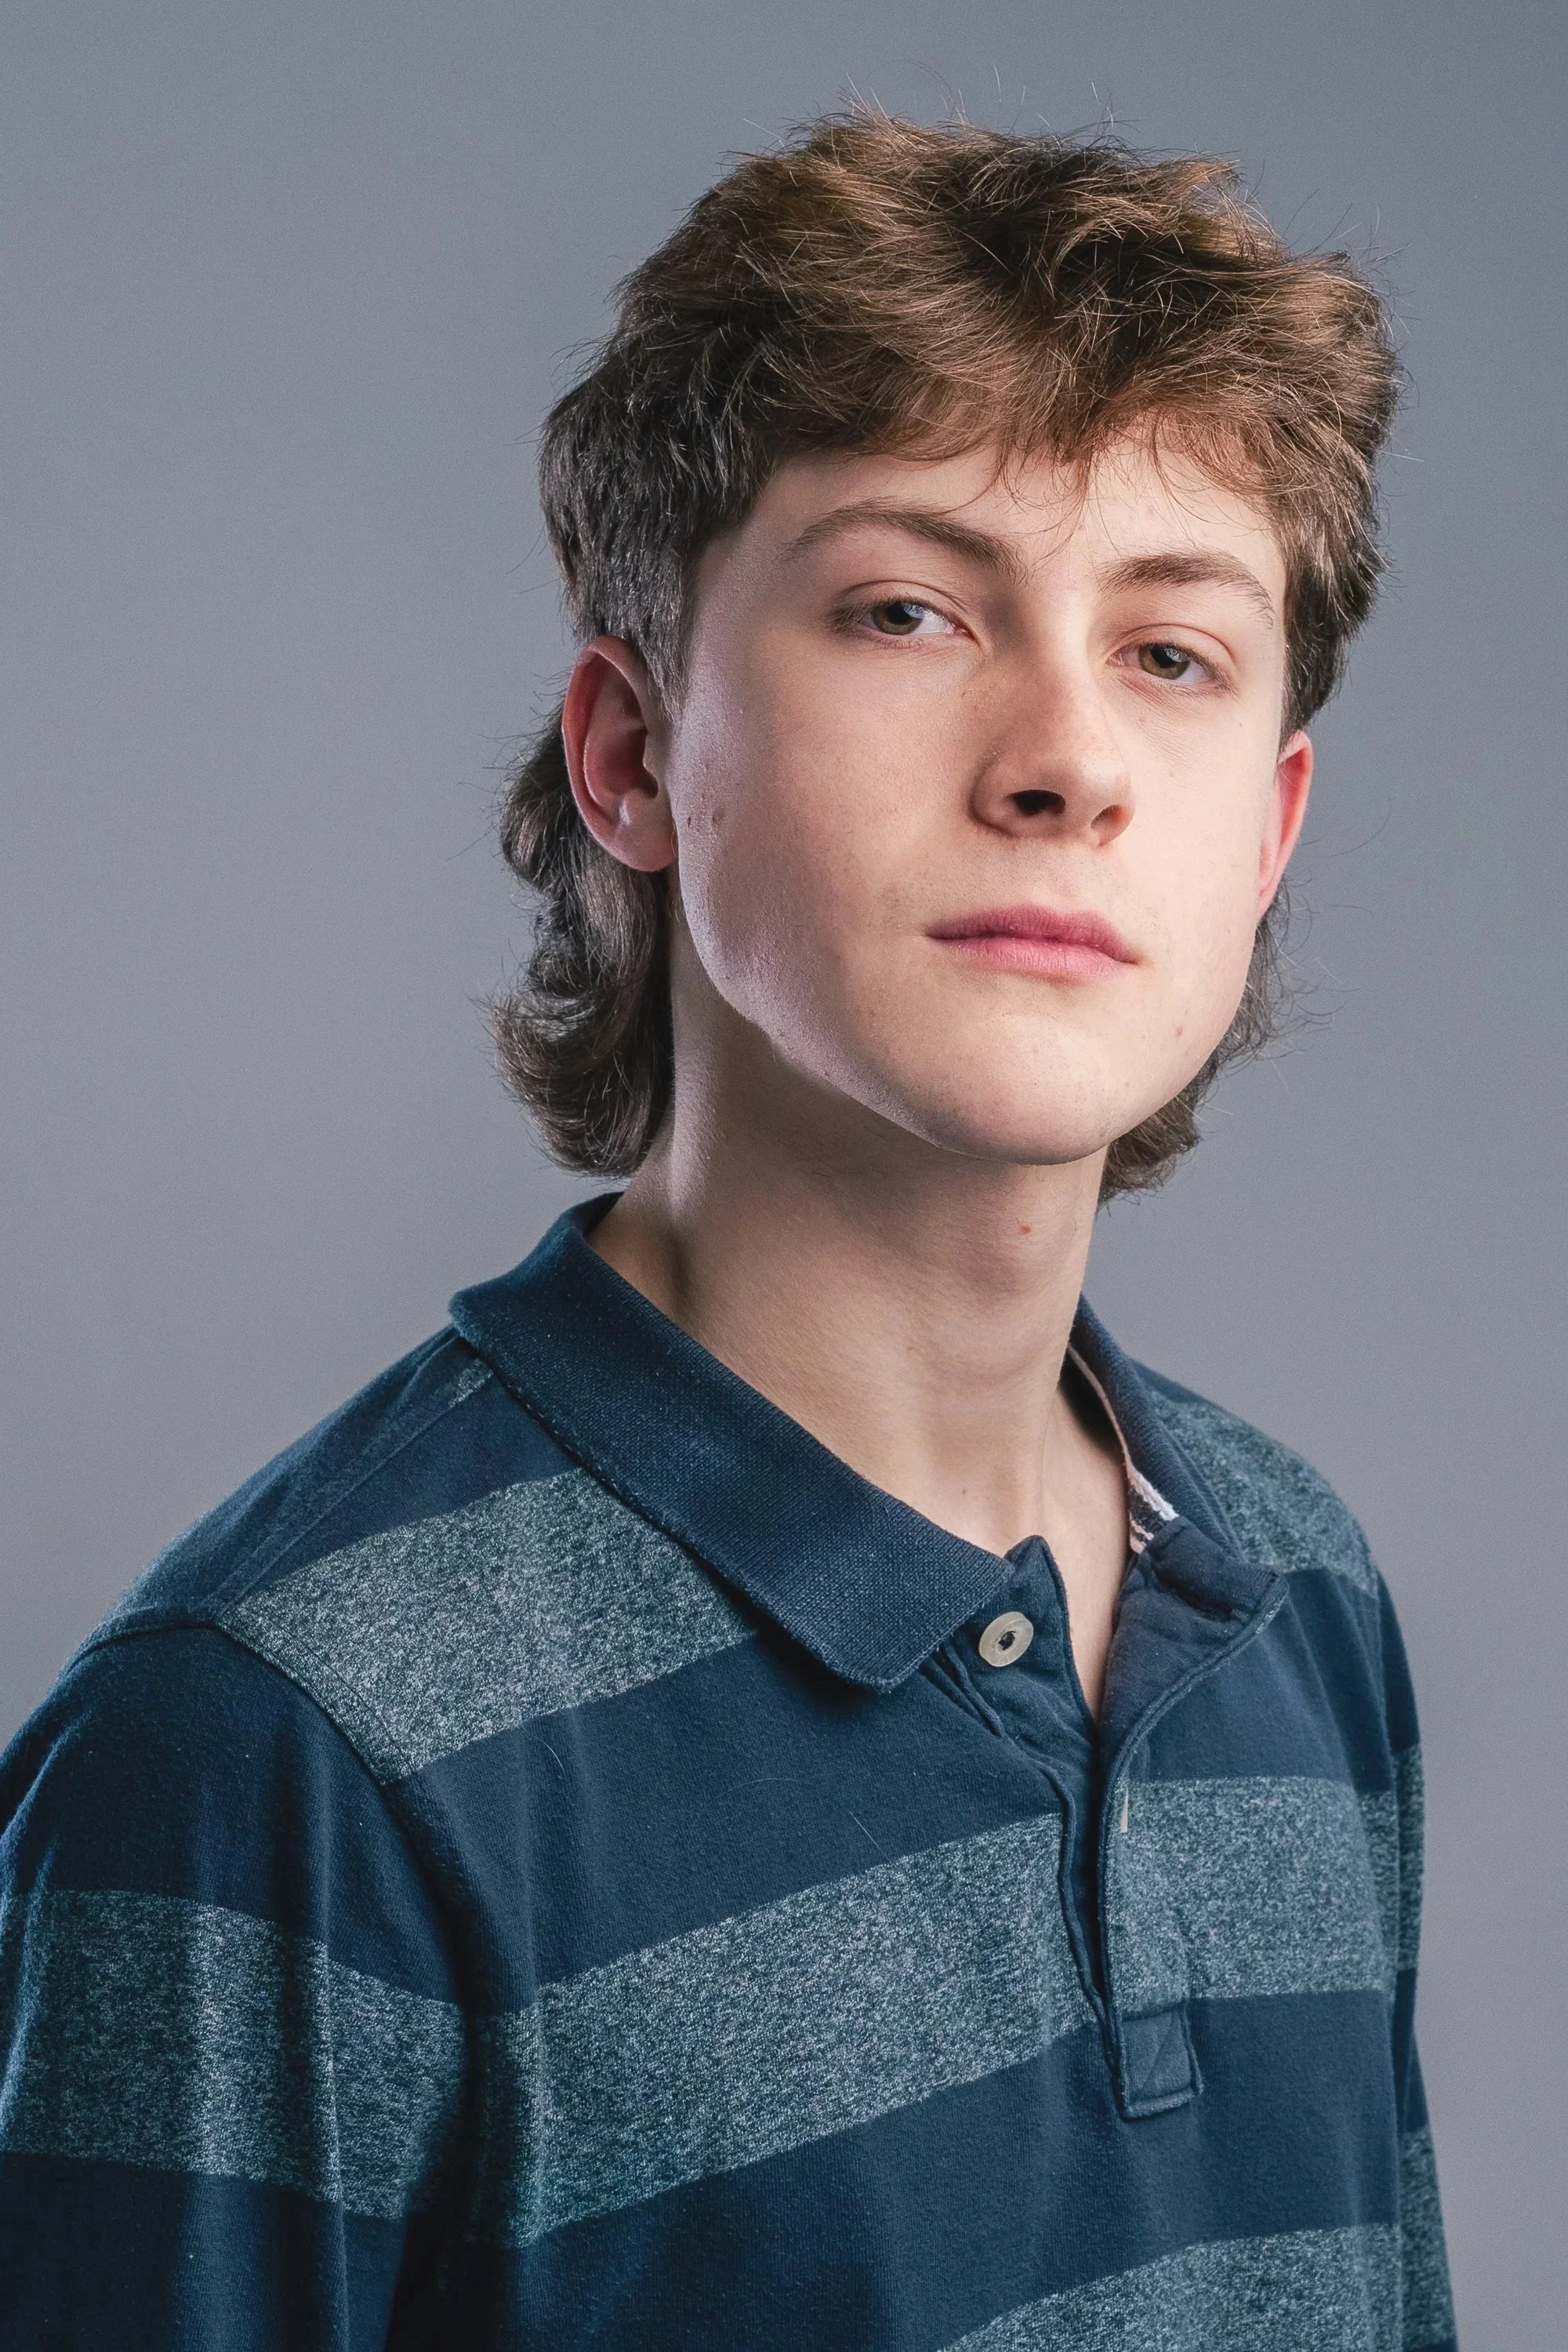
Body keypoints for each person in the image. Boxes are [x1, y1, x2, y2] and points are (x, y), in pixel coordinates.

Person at [0, 113, 1455, 2350]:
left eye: (1173, 653)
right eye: (907, 610)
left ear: (1265, 836)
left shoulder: (1300, 1596)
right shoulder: (273, 1747)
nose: (1069, 758)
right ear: (629, 755)